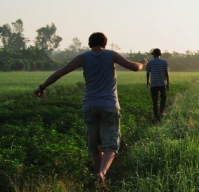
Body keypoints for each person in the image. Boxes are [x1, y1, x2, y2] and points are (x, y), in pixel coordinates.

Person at [34, 32, 147, 183]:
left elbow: (60, 72)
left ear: (89, 44)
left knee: (94, 145)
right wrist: (142, 63)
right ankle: (102, 173)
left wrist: (42, 87)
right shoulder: (111, 55)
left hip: (90, 105)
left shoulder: (82, 57)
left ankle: (99, 178)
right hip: (109, 105)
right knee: (110, 145)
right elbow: (135, 67)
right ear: (105, 44)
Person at [146, 48, 170, 121]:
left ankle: (156, 115)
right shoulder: (164, 62)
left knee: (155, 100)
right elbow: (166, 73)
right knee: (163, 97)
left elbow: (148, 73)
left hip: (154, 84)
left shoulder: (150, 62)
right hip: (162, 83)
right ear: (160, 54)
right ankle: (162, 111)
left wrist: (147, 82)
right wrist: (168, 83)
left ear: (154, 54)